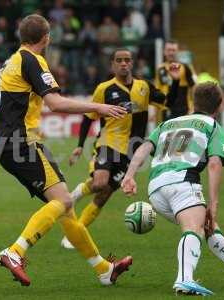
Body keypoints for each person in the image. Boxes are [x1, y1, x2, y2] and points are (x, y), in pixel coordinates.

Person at [0, 14, 132, 287]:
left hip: (6, 142)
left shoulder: (10, 62)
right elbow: (55, 103)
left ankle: (105, 270)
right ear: (46, 38)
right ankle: (15, 251)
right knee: (65, 201)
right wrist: (98, 107)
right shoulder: (32, 60)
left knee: (65, 209)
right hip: (21, 141)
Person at [121, 82, 224, 295]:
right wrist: (214, 201)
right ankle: (184, 279)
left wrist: (130, 175)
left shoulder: (168, 123)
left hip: (155, 188)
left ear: (193, 101)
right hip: (182, 181)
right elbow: (215, 163)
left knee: (208, 225)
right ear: (218, 106)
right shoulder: (212, 125)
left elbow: (144, 147)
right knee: (194, 227)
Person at [60, 49, 180, 249]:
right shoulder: (104, 89)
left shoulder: (144, 87)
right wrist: (80, 146)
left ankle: (76, 232)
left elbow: (169, 102)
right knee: (99, 182)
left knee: (105, 193)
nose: (123, 63)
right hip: (109, 142)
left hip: (131, 152)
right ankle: (73, 197)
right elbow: (88, 116)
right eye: (119, 61)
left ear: (132, 63)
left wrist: (175, 82)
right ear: (113, 65)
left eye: (127, 60)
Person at [155, 39, 196, 121]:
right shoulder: (160, 69)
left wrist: (194, 107)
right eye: (168, 50)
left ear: (178, 52)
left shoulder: (185, 67)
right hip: (166, 110)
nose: (171, 53)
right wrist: (156, 111)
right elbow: (158, 90)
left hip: (184, 110)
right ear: (164, 52)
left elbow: (193, 87)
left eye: (173, 50)